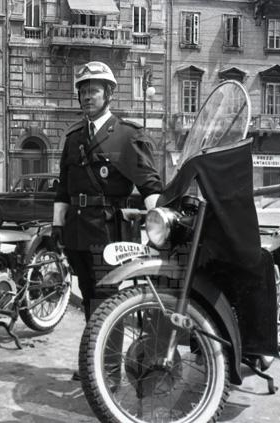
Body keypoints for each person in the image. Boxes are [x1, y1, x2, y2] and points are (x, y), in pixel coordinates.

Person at [52, 61, 162, 322]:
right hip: (76, 231)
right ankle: (94, 347)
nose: (87, 97)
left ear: (109, 94)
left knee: (106, 301)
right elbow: (64, 188)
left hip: (108, 233)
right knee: (89, 296)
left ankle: (105, 350)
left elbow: (149, 185)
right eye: (83, 92)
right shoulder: (74, 137)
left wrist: (161, 227)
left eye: (94, 91)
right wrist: (57, 225)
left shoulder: (126, 135)